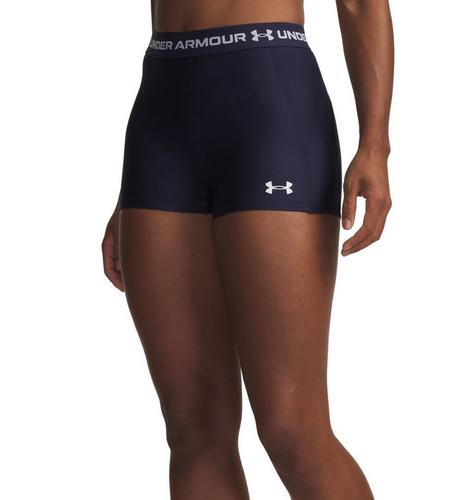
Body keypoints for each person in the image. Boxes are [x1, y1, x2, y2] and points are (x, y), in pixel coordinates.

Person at [102, 0, 393, 498]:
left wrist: (375, 144)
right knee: (194, 429)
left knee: (291, 428)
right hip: (163, 105)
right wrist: (131, 194)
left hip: (268, 97)